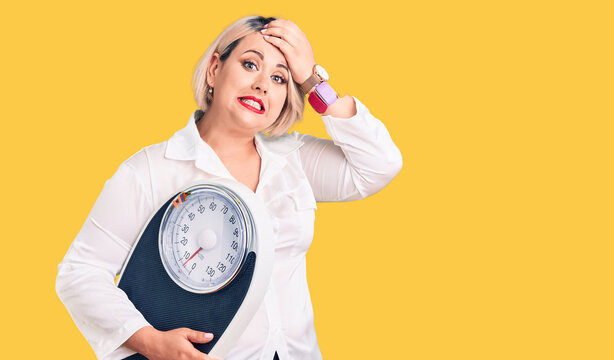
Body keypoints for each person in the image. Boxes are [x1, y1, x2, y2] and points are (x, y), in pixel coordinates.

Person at [56, 15, 403, 360]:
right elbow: (80, 272)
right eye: (250, 64)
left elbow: (380, 164)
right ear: (214, 69)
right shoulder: (149, 170)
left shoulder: (295, 160)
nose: (263, 84)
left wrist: (313, 80)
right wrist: (148, 341)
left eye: (280, 77)